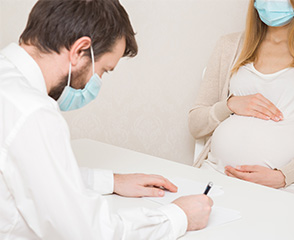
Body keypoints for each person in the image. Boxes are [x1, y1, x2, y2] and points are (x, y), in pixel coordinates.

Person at [0, 0, 212, 239]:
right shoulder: (33, 113)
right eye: (102, 71)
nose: (96, 81)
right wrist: (178, 216)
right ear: (80, 50)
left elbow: (30, 176)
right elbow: (89, 233)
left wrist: (111, 182)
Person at [189, 0, 294, 204]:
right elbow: (195, 125)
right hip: (218, 175)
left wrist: (282, 177)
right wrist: (229, 105)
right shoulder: (228, 46)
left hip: (291, 187)